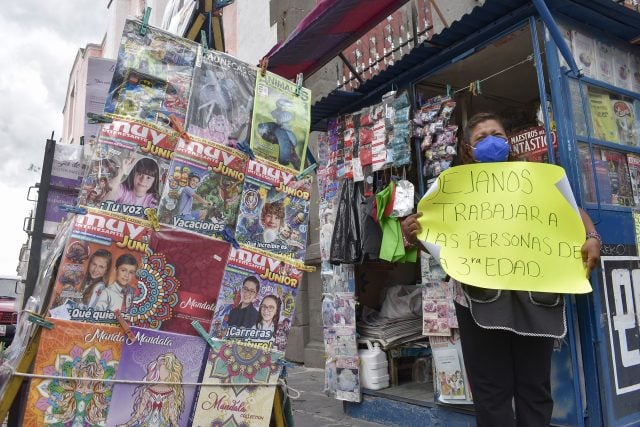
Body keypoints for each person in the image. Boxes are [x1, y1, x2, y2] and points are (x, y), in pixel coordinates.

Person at [402, 112, 601, 426]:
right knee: (491, 391)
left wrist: (591, 236)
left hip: (535, 295)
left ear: (507, 141)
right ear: (467, 149)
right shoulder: (451, 188)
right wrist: (413, 234)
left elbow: (570, 209)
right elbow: (438, 242)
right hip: (476, 298)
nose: (491, 141)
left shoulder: (534, 176)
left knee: (535, 386)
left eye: (497, 134)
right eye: (481, 138)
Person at [118, 352, 184, 427]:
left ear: (171, 373)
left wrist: (176, 425)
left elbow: (172, 413)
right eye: (162, 370)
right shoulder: (149, 390)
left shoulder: (171, 393)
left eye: (167, 371)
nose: (163, 373)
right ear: (158, 370)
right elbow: (139, 412)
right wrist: (127, 424)